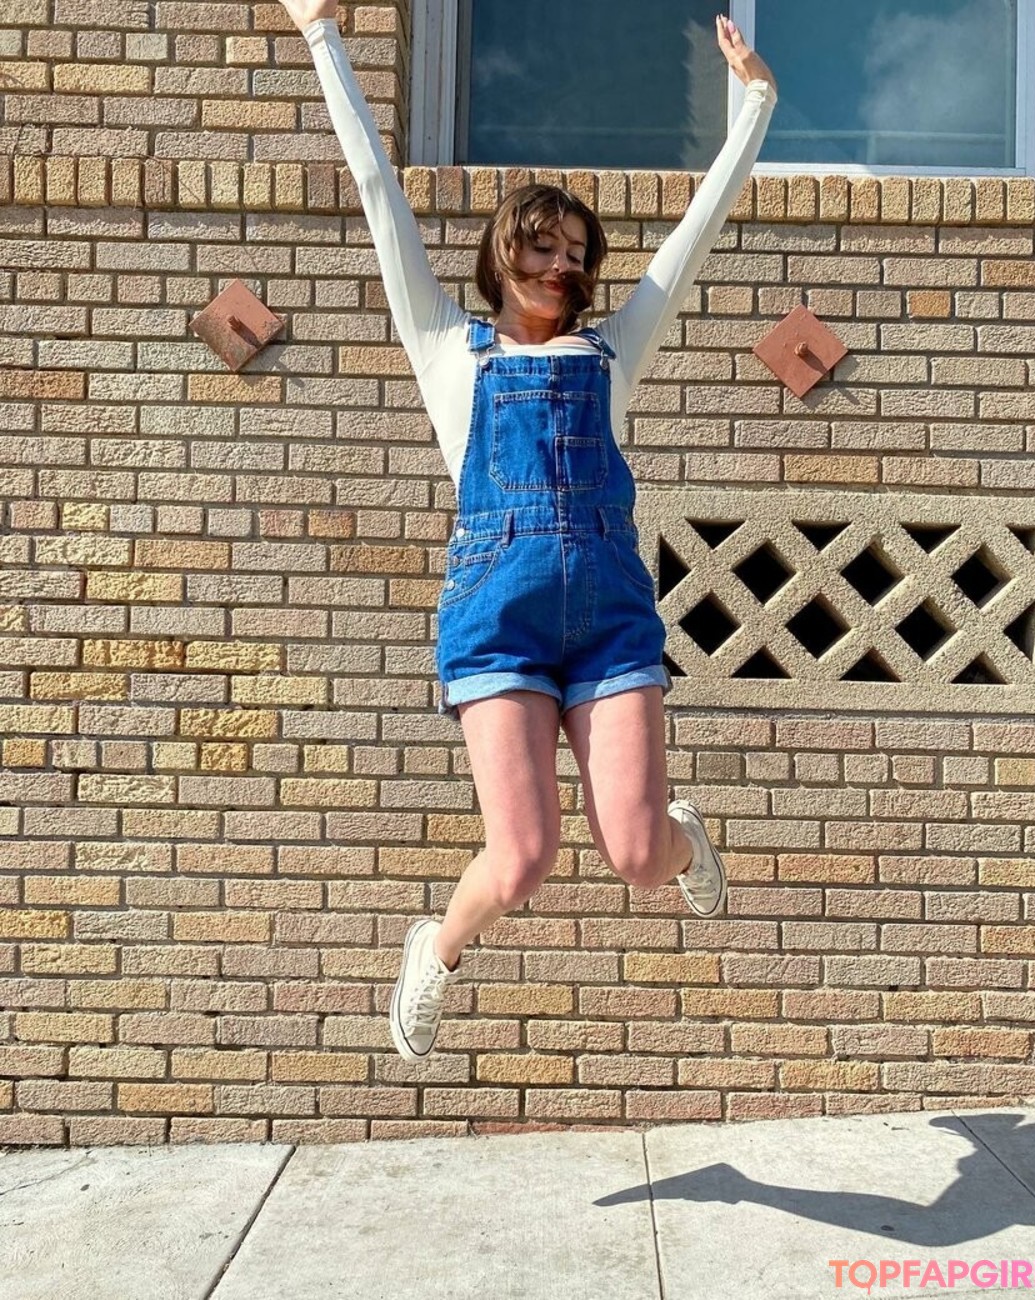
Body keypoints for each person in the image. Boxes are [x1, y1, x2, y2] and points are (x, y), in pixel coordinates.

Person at [278, 0, 777, 1061]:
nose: (562, 265)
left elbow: (694, 239)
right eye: (542, 246)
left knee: (637, 855)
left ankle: (685, 840)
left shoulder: (612, 353)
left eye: (577, 252)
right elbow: (376, 191)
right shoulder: (447, 349)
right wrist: (322, 34)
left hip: (608, 621)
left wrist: (755, 111)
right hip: (497, 623)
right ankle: (436, 950)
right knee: (522, 861)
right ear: (502, 255)